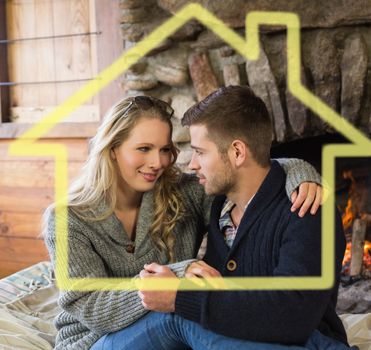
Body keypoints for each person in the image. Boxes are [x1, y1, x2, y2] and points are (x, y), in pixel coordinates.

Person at [43, 94, 324, 350]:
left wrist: (301, 171)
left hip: (168, 338)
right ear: (112, 148)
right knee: (183, 316)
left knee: (227, 319)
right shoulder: (67, 219)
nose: (157, 162)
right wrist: (179, 274)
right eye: (143, 148)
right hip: (93, 341)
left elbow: (247, 172)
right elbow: (93, 308)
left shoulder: (184, 194)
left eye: (165, 149)